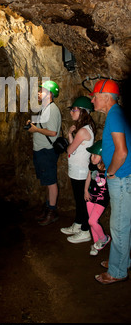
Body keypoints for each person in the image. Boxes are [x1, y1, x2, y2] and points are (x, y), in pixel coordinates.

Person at [90, 78, 131, 284]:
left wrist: (112, 171)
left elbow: (122, 152)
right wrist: (108, 163)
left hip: (121, 179)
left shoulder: (114, 115)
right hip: (124, 176)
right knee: (123, 224)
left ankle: (117, 271)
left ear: (106, 97)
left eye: (95, 96)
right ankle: (123, 260)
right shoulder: (117, 114)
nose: (93, 99)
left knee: (119, 226)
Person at [26, 80, 61, 226]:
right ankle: (47, 208)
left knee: (51, 183)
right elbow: (44, 126)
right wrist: (33, 125)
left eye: (42, 90)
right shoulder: (45, 108)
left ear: (50, 93)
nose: (39, 93)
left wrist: (35, 130)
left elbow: (52, 132)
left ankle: (52, 212)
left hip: (46, 151)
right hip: (41, 150)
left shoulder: (52, 109)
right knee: (47, 182)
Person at [61, 96, 95, 243]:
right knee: (79, 200)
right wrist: (69, 134)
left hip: (80, 172)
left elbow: (69, 150)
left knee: (82, 202)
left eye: (74, 109)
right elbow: (73, 151)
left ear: (82, 112)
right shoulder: (83, 130)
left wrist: (69, 139)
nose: (71, 112)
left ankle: (85, 231)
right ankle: (78, 224)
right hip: (77, 170)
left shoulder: (83, 132)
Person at [84, 140, 110, 256]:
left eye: (95, 155)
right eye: (91, 155)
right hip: (91, 196)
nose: (92, 158)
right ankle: (96, 244)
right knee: (92, 222)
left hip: (101, 199)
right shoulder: (91, 165)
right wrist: (85, 190)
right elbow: (88, 177)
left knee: (92, 221)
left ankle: (104, 239)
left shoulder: (108, 168)